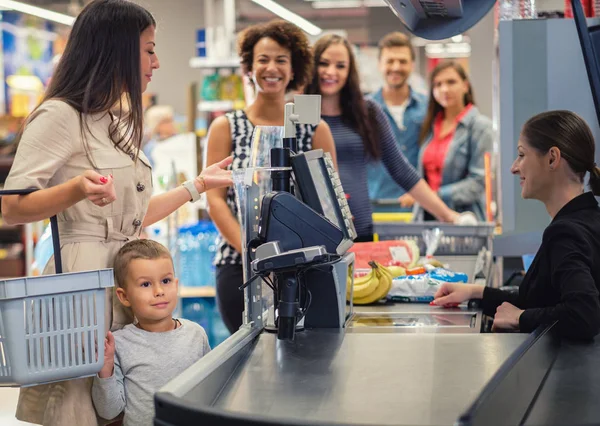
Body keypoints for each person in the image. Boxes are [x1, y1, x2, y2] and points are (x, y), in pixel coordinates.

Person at [0, 1, 232, 425]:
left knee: (122, 406)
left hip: (124, 276)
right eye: (148, 50)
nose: (156, 62)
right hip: (81, 289)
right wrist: (74, 189)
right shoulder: (59, 116)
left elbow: (132, 217)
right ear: (116, 49)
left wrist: (195, 186)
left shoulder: (112, 118)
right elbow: (12, 206)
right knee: (80, 407)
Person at [206, 20, 338, 335]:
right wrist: (250, 251)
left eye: (281, 60)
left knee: (301, 358)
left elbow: (327, 200)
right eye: (262, 59)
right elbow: (214, 200)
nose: (271, 68)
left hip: (302, 266)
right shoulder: (226, 127)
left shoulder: (314, 129)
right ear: (249, 68)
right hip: (238, 266)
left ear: (294, 69)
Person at [433, 110, 600, 340]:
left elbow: (584, 314)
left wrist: (520, 318)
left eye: (522, 155)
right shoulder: (587, 217)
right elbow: (538, 302)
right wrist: (476, 292)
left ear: (552, 158)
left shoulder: (566, 233)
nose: (514, 167)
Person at [305, 34, 459, 241]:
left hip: (361, 230)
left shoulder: (367, 112)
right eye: (323, 63)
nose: (331, 72)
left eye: (340, 66)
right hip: (316, 233)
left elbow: (401, 169)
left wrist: (447, 215)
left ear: (350, 71)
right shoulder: (301, 113)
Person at [92, 239, 210, 426]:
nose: (159, 291)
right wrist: (105, 370)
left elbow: (211, 392)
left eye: (166, 281)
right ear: (124, 296)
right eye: (146, 284)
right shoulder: (119, 344)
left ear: (176, 284)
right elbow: (109, 411)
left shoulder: (197, 335)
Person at [401, 61, 493, 221]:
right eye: (438, 84)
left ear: (465, 86)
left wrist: (431, 196)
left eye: (451, 82)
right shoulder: (429, 126)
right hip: (426, 219)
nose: (444, 89)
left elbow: (478, 182)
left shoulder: (480, 126)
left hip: (464, 219)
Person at [367, 32, 428, 212]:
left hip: (419, 208)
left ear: (412, 65)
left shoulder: (428, 108)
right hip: (376, 208)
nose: (396, 67)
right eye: (390, 61)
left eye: (402, 61)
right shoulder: (364, 110)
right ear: (380, 64)